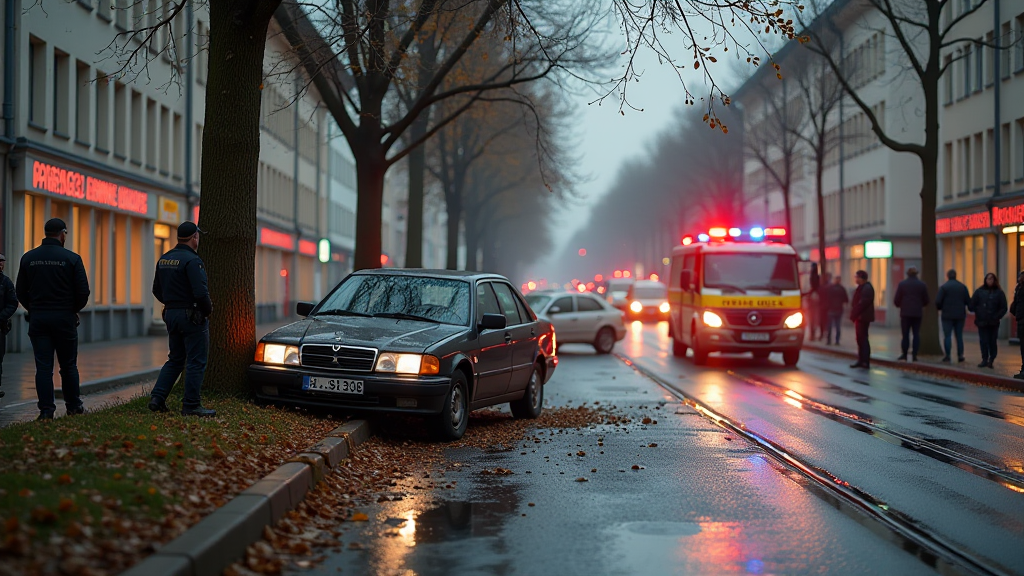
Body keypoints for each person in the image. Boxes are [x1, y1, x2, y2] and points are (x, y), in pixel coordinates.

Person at [15, 218, 91, 420]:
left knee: (43, 367)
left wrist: (34, 308)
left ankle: (46, 411)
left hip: (39, 318)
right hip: (64, 318)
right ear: (62, 233)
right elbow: (83, 292)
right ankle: (74, 406)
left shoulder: (28, 258)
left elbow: (20, 291)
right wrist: (71, 309)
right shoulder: (72, 258)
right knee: (68, 366)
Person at [149, 221, 216, 417]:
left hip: (171, 314)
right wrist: (207, 310)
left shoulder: (164, 259)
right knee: (196, 360)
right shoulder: (193, 261)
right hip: (192, 316)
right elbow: (200, 292)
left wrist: (172, 303)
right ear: (194, 237)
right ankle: (191, 404)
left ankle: (157, 397)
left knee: (176, 359)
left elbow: (156, 289)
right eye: (198, 236)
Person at [969, 273, 1007, 369]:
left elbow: (1003, 307)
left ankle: (991, 359)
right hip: (982, 321)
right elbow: (971, 305)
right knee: (983, 341)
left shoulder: (999, 293)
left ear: (995, 280)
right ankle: (984, 359)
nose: (990, 281)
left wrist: (997, 316)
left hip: (993, 322)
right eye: (988, 279)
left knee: (992, 341)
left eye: (991, 279)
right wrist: (978, 311)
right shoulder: (979, 292)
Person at [893, 267, 929, 361]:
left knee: (905, 334)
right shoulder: (922, 285)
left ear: (907, 274)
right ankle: (914, 355)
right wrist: (920, 305)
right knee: (916, 334)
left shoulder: (902, 284)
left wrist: (900, 305)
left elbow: (896, 299)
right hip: (917, 313)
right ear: (917, 274)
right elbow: (926, 300)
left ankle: (904, 354)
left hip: (905, 313)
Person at [935, 269, 971, 363]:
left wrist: (940, 308)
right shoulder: (962, 287)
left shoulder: (944, 287)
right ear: (956, 276)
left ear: (947, 276)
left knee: (947, 336)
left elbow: (938, 301)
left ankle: (948, 355)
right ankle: (960, 355)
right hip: (960, 315)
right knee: (959, 336)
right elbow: (968, 301)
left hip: (947, 315)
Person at [0, 254, 18, 399]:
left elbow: (12, 303)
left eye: (2, 262)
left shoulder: (5, 282)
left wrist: (2, 316)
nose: (1, 265)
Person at [849, 270, 875, 369]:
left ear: (861, 278)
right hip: (860, 317)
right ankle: (861, 360)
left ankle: (865, 361)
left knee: (863, 339)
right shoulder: (861, 288)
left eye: (857, 277)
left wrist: (854, 314)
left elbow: (862, 304)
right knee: (860, 339)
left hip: (863, 317)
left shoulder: (867, 288)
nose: (855, 279)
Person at [825, 275, 848, 345]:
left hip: (831, 309)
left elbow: (827, 298)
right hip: (839, 309)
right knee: (837, 325)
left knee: (830, 326)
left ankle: (829, 340)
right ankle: (837, 341)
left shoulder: (830, 288)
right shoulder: (842, 289)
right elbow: (846, 299)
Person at [1010, 272, 1024, 379]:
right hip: (1020, 319)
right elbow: (1015, 304)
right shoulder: (1018, 289)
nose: (1019, 279)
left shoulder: (1020, 289)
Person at [816, 273, 832, 341]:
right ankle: (827, 336)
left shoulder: (821, 287)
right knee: (827, 322)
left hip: (822, 307)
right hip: (828, 307)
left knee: (822, 322)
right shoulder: (830, 287)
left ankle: (822, 334)